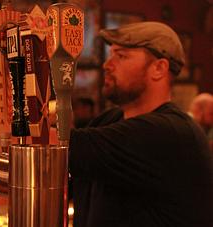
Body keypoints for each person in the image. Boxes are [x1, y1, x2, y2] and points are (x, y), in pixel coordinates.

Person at [69, 21, 213, 227]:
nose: (107, 65)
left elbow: (65, 146)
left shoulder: (171, 133)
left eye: (121, 56)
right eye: (111, 55)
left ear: (158, 68)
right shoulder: (109, 119)